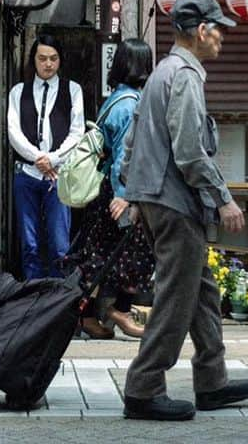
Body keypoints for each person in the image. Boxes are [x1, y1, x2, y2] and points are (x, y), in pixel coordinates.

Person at [120, 0, 248, 422]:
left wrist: (134, 191)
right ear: (201, 31)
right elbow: (190, 151)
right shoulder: (184, 75)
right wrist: (225, 199)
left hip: (160, 198)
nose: (222, 39)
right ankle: (143, 387)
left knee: (201, 291)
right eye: (218, 30)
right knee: (177, 298)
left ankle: (212, 381)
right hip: (175, 202)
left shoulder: (163, 71)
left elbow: (134, 139)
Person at [67, 38, 156, 340]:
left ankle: (89, 317)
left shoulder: (116, 97)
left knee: (100, 254)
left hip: (105, 190)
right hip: (115, 192)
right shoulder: (130, 103)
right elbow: (122, 155)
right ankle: (117, 312)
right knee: (134, 252)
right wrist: (124, 196)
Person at [6, 34, 85, 279]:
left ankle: (58, 302)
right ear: (34, 60)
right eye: (42, 58)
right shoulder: (19, 91)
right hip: (27, 173)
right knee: (29, 244)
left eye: (53, 59)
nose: (48, 64)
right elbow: (13, 131)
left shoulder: (73, 90)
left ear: (60, 60)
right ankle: (32, 298)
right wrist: (39, 157)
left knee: (60, 244)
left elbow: (77, 131)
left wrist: (53, 159)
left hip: (59, 175)